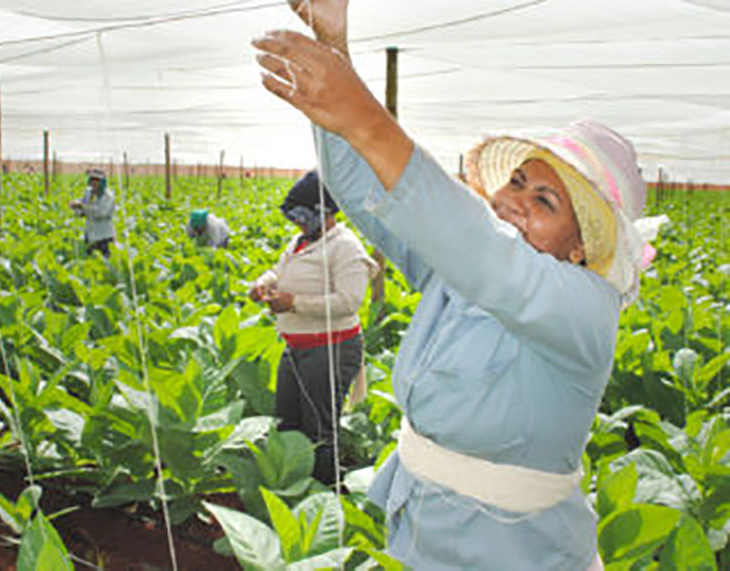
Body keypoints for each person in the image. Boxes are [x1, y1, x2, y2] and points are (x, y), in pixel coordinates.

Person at [252, 2, 666, 569]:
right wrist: (335, 51)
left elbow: (483, 250)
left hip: (513, 552)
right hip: (415, 525)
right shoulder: (455, 272)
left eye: (544, 201)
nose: (515, 200)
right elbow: (365, 194)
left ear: (581, 249)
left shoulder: (586, 309)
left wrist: (366, 117)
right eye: (516, 182)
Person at [249, 170, 379, 485]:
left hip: (330, 349)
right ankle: (292, 486)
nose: (296, 222)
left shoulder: (345, 247)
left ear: (323, 213)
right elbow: (278, 271)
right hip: (298, 348)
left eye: (302, 215)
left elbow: (349, 301)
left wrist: (294, 303)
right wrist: (263, 284)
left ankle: (325, 493)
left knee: (319, 429)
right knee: (286, 422)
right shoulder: (300, 241)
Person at [69, 169, 115, 258]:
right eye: (92, 179)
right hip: (90, 235)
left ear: (103, 182)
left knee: (104, 262)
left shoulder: (108, 196)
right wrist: (76, 209)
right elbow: (83, 210)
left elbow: (101, 212)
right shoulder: (88, 193)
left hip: (104, 236)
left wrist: (82, 206)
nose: (94, 182)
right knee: (90, 260)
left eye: (97, 180)